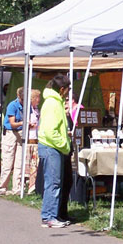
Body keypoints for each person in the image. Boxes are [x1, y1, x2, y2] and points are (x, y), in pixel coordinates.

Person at [38, 74, 72, 228]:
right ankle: (49, 217)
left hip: (52, 146)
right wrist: (64, 145)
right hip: (52, 147)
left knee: (53, 183)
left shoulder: (54, 102)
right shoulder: (53, 103)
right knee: (53, 183)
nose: (68, 93)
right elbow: (50, 131)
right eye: (68, 89)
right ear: (62, 89)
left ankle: (50, 215)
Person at [0, 88, 25, 195]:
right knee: (8, 161)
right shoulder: (12, 106)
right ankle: (2, 187)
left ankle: (17, 188)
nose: (23, 101)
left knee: (19, 162)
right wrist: (24, 122)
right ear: (18, 97)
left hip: (21, 133)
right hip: (10, 133)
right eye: (22, 99)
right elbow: (12, 123)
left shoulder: (27, 106)